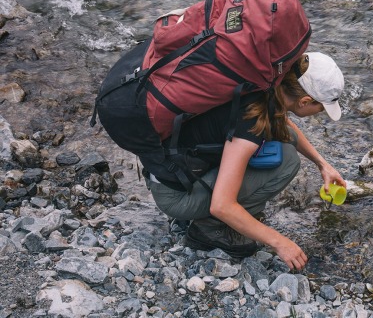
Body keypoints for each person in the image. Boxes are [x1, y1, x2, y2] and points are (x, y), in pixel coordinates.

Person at [144, 51, 346, 270]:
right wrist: (279, 242)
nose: (319, 113)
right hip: (175, 197)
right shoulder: (251, 122)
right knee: (287, 162)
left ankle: (223, 215)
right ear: (305, 101)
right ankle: (210, 229)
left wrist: (322, 164)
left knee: (284, 148)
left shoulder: (261, 83)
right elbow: (222, 205)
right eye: (320, 108)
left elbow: (286, 127)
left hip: (163, 168)